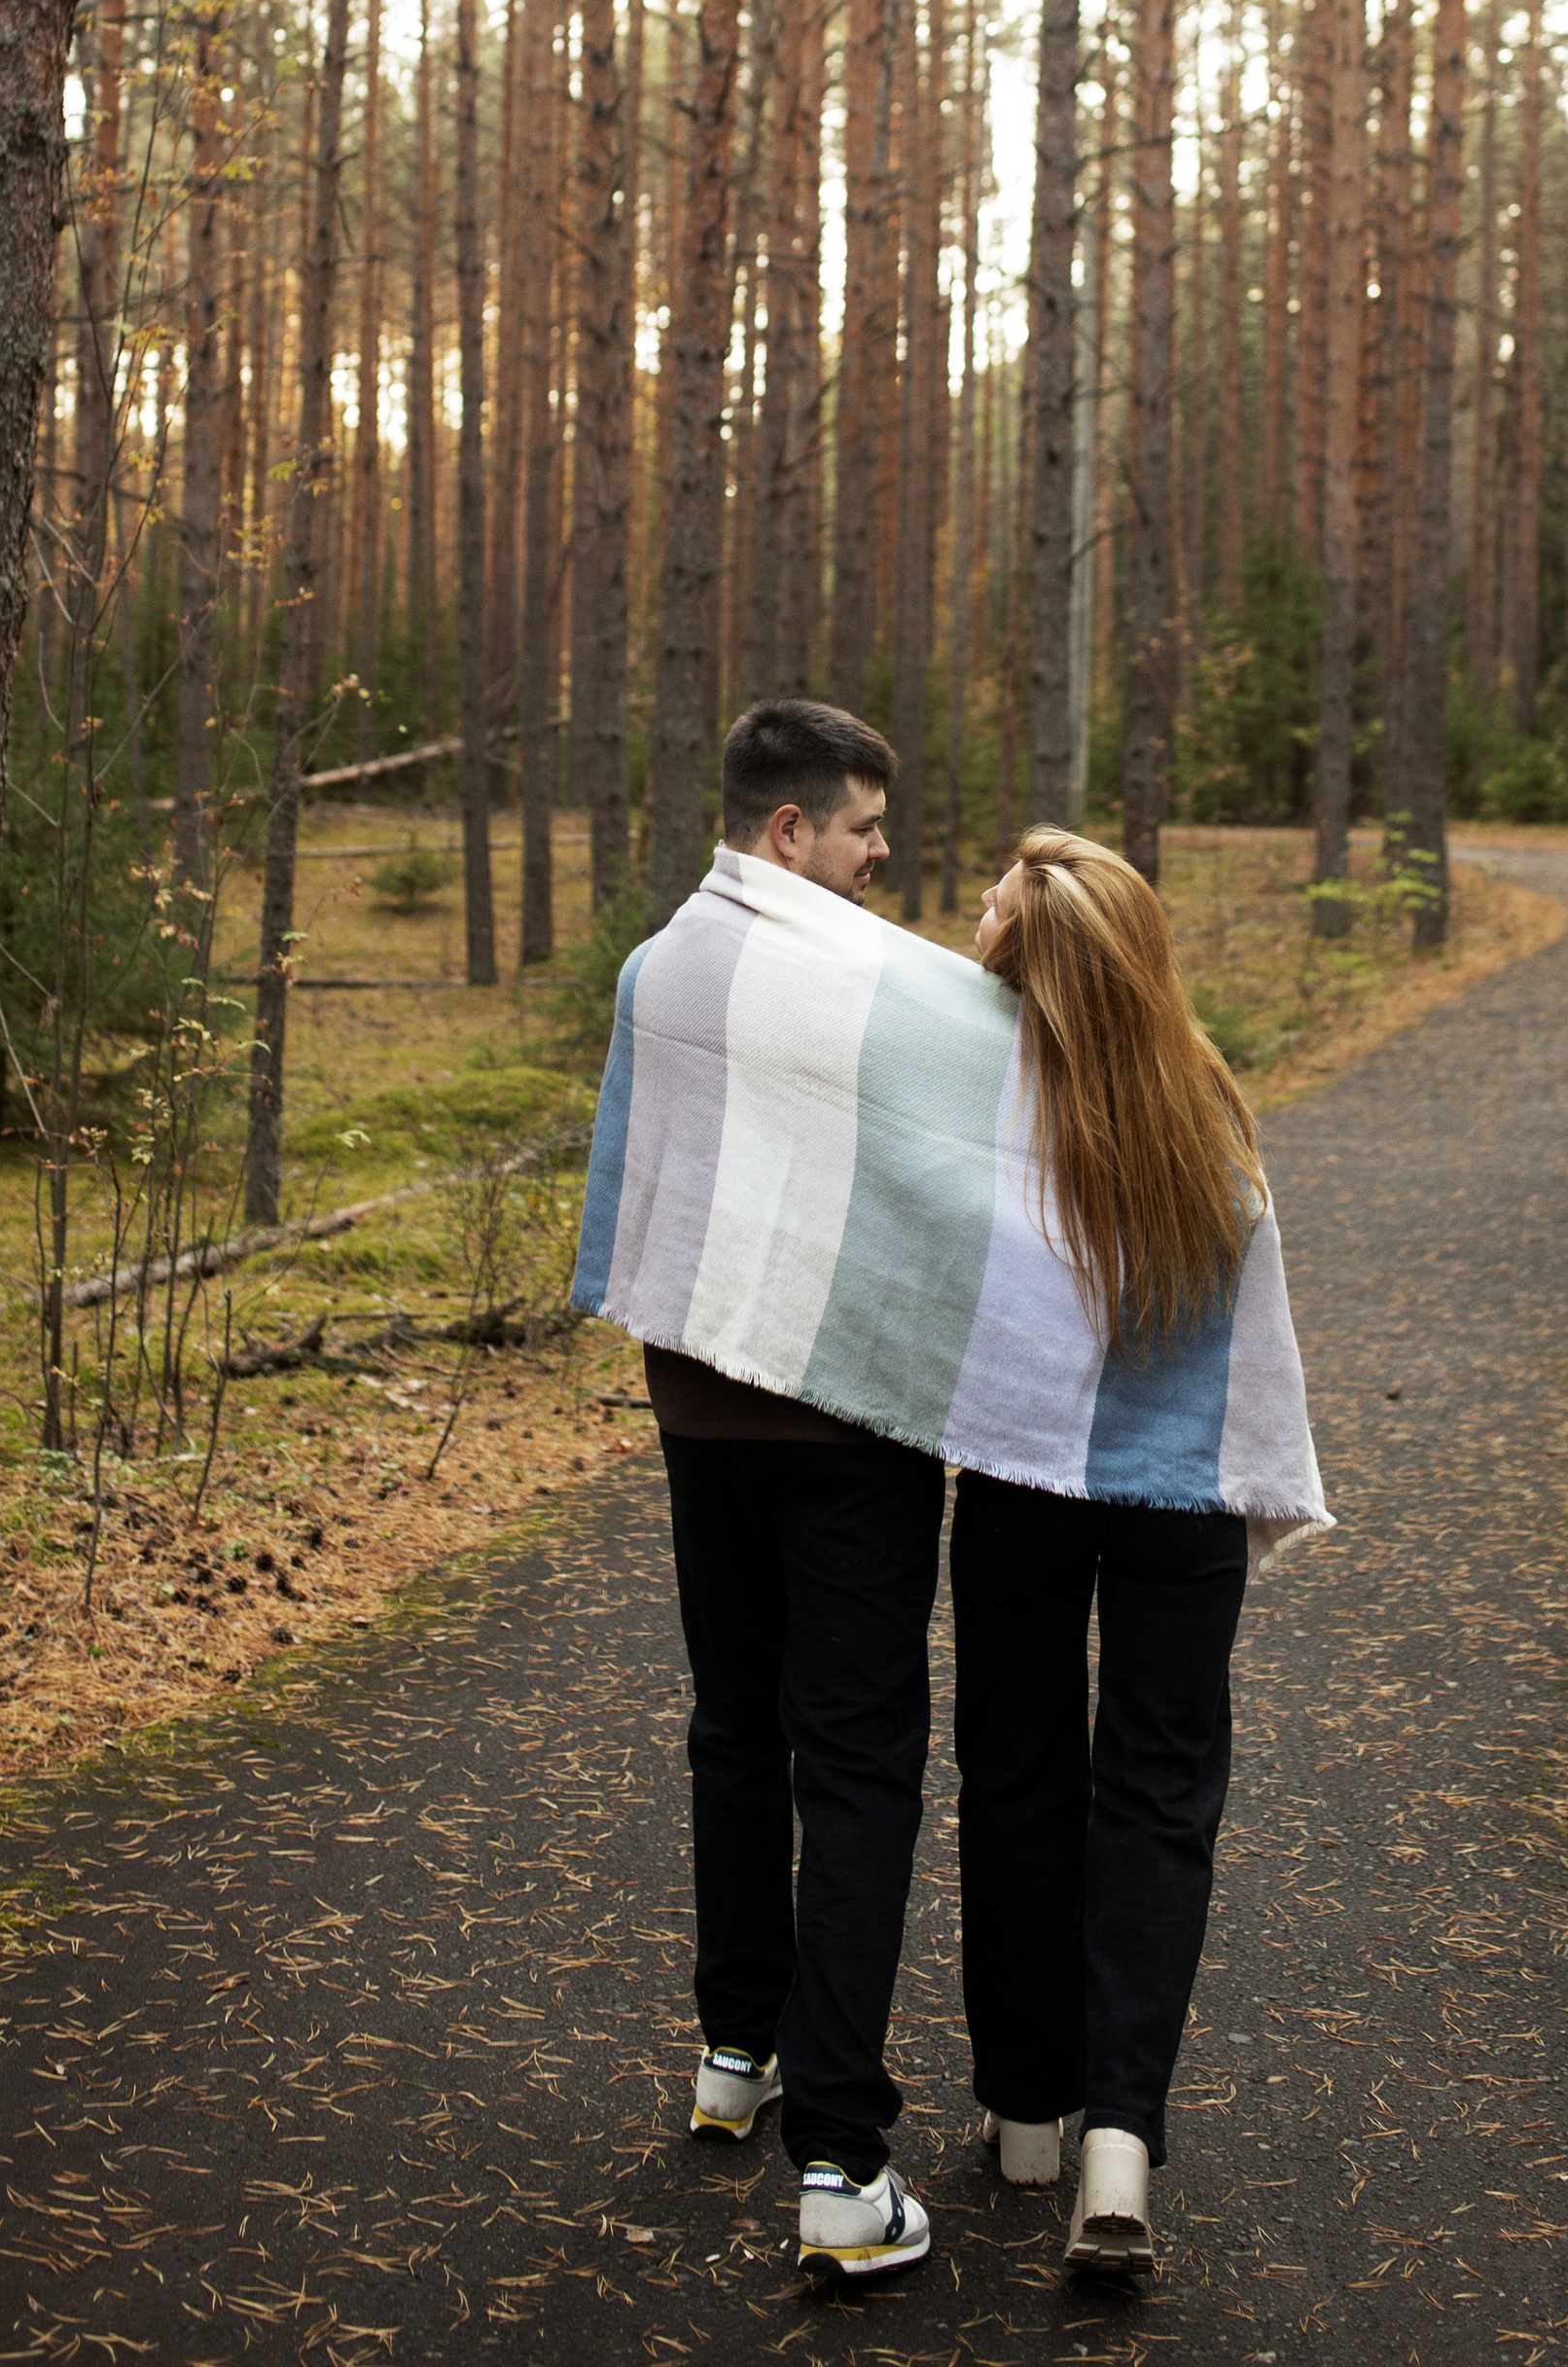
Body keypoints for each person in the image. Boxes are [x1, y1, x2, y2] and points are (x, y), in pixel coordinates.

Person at [643, 697, 941, 2290]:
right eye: (864, 834)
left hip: (703, 1415)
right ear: (788, 833)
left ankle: (733, 2051)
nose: (881, 861)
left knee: (733, 1729)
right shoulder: (878, 985)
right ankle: (841, 2160)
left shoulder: (653, 969)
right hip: (859, 1423)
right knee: (864, 1763)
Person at [952, 827, 1266, 2280]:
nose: (970, 921)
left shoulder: (970, 1097)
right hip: (1183, 1498)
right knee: (1158, 1795)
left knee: (1018, 1773)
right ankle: (1119, 2143)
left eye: (990, 911)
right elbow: (1253, 1334)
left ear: (1023, 959)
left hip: (1019, 1483)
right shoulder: (1206, 1102)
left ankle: (1025, 2112)